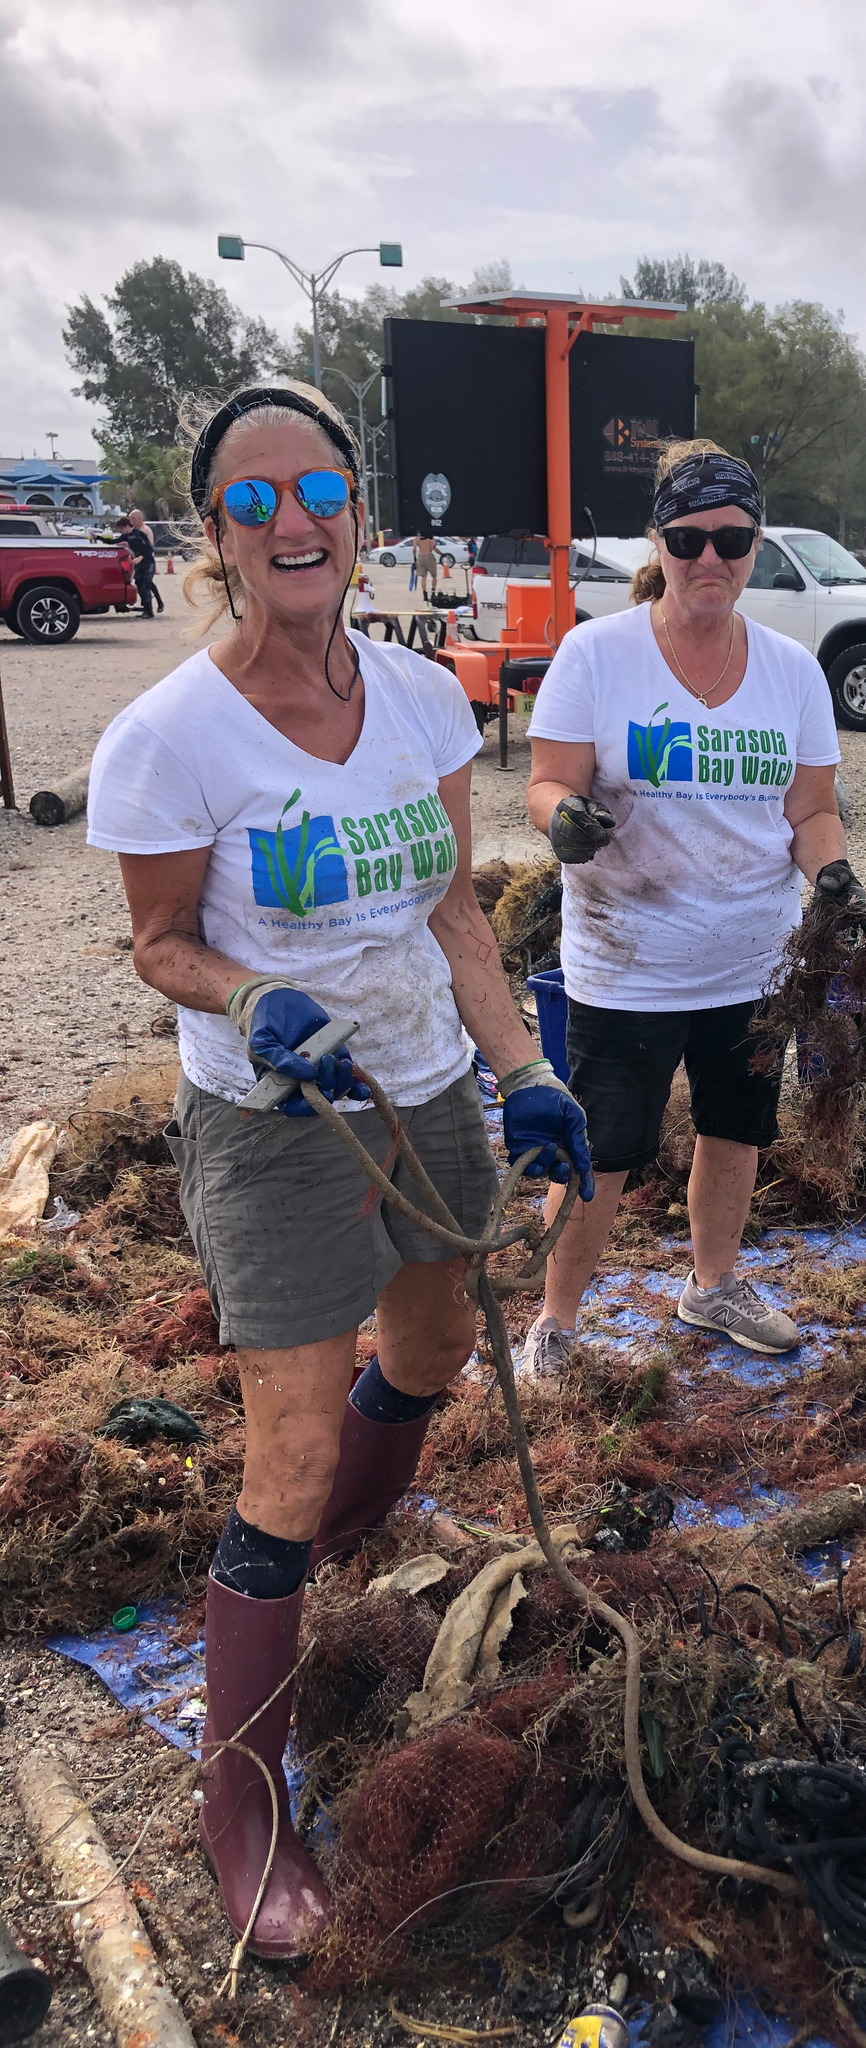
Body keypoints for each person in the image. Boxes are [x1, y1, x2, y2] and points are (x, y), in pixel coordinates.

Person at [84, 381, 593, 1959]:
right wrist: (254, 994)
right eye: (253, 502)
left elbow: (449, 913)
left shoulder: (430, 698)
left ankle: (345, 1552)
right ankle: (241, 1798)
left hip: (427, 1085)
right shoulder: (166, 738)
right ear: (214, 534)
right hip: (274, 1117)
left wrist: (527, 1071)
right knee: (285, 1462)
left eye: (316, 492)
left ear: (359, 514)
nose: (291, 522)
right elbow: (161, 942)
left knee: (433, 1353)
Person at [522, 438, 866, 1374]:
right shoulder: (598, 654)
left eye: (731, 538)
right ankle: (555, 1324)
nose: (709, 558)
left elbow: (811, 808)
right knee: (602, 1153)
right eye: (687, 538)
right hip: (626, 961)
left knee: (735, 1129)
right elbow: (547, 780)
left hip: (752, 960)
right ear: (658, 541)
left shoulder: (793, 671)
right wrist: (566, 822)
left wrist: (832, 878)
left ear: (755, 544)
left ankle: (711, 1287)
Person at [119, 511, 160, 618]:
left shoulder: (144, 531)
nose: (131, 521)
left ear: (139, 519)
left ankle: (154, 607)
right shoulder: (132, 532)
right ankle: (149, 607)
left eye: (132, 519)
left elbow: (148, 547)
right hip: (138, 562)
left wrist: (140, 557)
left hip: (147, 561)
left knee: (147, 584)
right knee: (142, 584)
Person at [413, 530, 438, 600]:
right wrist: (442, 554)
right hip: (428, 556)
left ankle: (424, 594)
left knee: (423, 577)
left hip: (420, 556)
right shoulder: (430, 538)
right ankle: (433, 593)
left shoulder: (416, 538)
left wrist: (414, 558)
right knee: (434, 576)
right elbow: (433, 548)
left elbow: (414, 549)